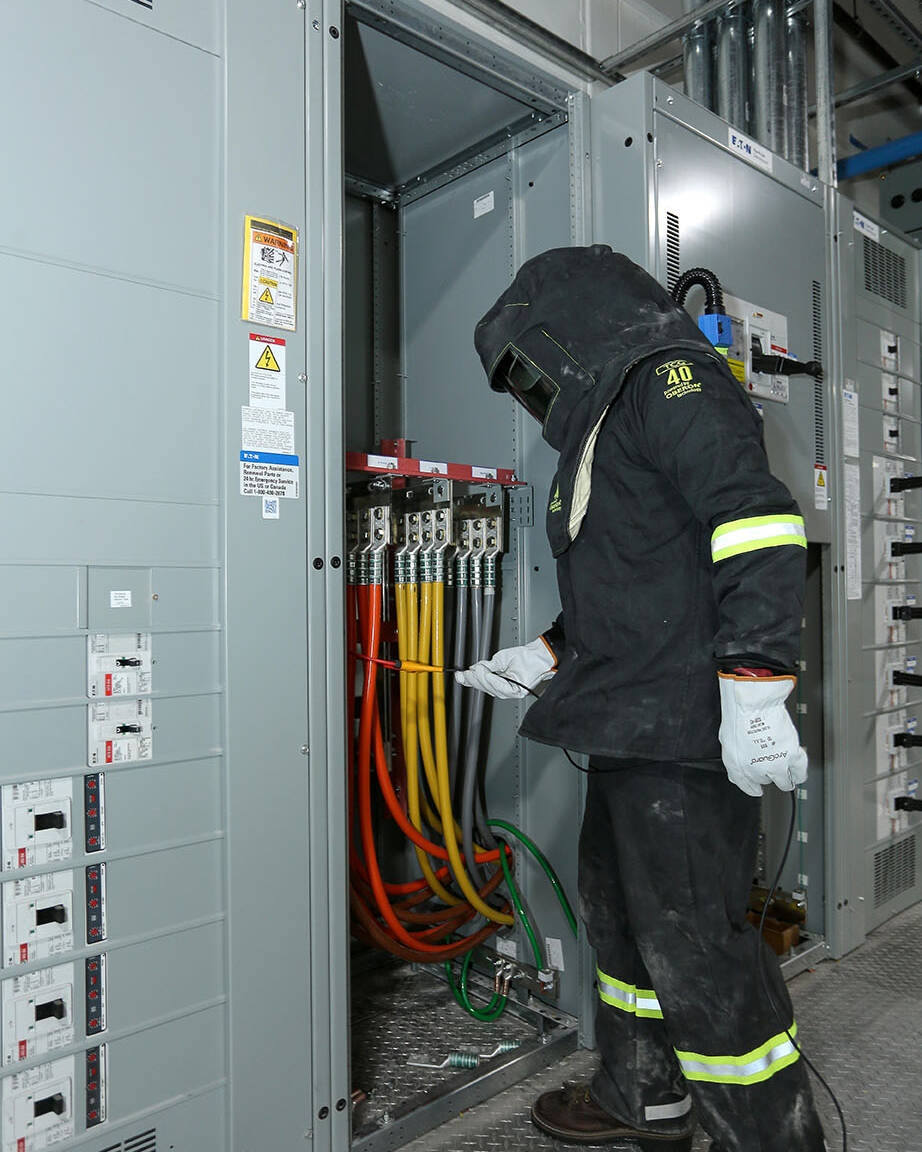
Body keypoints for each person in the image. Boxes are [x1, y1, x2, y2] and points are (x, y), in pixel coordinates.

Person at [456, 246, 827, 1152]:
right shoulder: (607, 420)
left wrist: (755, 684)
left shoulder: (671, 380)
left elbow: (757, 524)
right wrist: (546, 654)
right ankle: (644, 1095)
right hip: (627, 727)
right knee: (621, 927)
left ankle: (771, 1138)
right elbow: (640, 576)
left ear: (569, 331)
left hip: (684, 737)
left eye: (528, 371)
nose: (532, 395)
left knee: (696, 948)